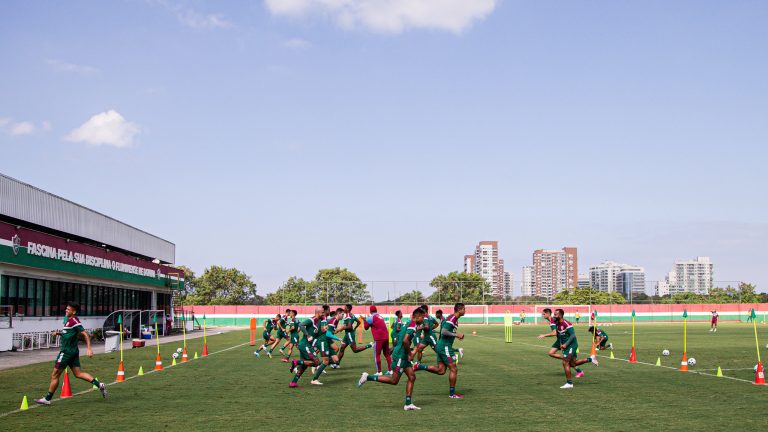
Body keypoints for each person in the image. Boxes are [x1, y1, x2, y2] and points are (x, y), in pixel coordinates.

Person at [36, 302, 107, 405]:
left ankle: (47, 399)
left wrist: (89, 348)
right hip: (73, 352)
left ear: (73, 312)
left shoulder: (74, 321)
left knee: (55, 375)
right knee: (78, 374)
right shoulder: (69, 321)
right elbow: (69, 334)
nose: (66, 310)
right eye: (66, 309)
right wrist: (59, 333)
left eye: (68, 309)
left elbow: (85, 334)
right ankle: (99, 384)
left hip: (66, 352)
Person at [358, 307, 425, 411]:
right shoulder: (411, 325)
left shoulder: (409, 323)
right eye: (423, 317)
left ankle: (408, 404)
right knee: (394, 381)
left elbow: (400, 336)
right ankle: (368, 377)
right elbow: (405, 341)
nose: (424, 319)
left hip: (402, 355)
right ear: (418, 317)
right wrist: (410, 353)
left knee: (412, 377)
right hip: (401, 356)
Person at [414, 303, 466, 399]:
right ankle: (452, 394)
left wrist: (454, 334)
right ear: (460, 310)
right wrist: (456, 335)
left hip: (442, 346)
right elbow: (443, 331)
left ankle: (420, 366)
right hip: (445, 346)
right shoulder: (452, 318)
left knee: (441, 371)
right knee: (454, 369)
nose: (465, 311)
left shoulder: (452, 318)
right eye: (464, 309)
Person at [554, 308, 597, 389]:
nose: (554, 316)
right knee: (573, 364)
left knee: (565, 362)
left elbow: (573, 335)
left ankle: (569, 383)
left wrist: (566, 344)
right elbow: (559, 335)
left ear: (560, 315)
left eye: (555, 314)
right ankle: (591, 359)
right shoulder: (557, 324)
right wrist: (561, 345)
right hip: (566, 346)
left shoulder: (567, 323)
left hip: (571, 345)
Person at [538, 308, 587, 377]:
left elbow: (554, 333)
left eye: (543, 314)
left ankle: (579, 369)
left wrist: (544, 335)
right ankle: (578, 370)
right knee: (568, 359)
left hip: (563, 340)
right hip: (560, 340)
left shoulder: (552, 322)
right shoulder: (553, 320)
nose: (542, 315)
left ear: (548, 313)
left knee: (569, 361)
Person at [288, 307, 323, 388]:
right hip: (305, 345)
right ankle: (296, 362)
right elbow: (301, 324)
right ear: (318, 312)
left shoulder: (319, 321)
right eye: (322, 312)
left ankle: (293, 382)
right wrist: (307, 335)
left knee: (304, 366)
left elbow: (318, 333)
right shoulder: (311, 320)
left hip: (307, 346)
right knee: (316, 362)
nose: (323, 313)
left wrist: (324, 331)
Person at [364, 305, 392, 375]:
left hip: (379, 338)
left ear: (370, 311)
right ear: (376, 310)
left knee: (377, 355)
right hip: (386, 337)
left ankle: (379, 372)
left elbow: (365, 327)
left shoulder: (371, 317)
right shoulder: (380, 316)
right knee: (387, 354)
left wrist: (364, 320)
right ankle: (390, 370)